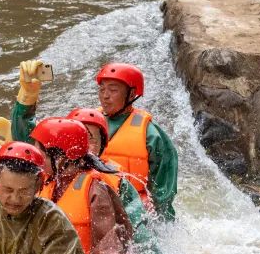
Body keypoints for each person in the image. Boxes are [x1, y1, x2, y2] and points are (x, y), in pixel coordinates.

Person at [10, 59, 179, 221]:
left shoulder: (151, 134)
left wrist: (157, 218)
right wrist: (27, 99)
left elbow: (164, 188)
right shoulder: (83, 122)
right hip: (85, 200)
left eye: (113, 90)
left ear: (132, 94)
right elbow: (35, 147)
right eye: (102, 89)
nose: (105, 96)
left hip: (131, 205)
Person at [29, 117, 135, 254]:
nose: (36, 158)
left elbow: (109, 241)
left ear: (61, 157)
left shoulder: (95, 189)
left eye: (40, 152)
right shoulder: (46, 183)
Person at [65, 107, 173, 254]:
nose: (83, 145)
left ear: (102, 145)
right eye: (77, 138)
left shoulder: (115, 182)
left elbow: (137, 225)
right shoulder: (46, 177)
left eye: (90, 139)